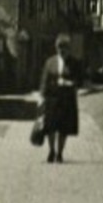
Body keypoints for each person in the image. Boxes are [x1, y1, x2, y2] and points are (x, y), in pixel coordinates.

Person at [39, 35, 80, 164]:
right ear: (56, 48)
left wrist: (69, 83)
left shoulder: (74, 63)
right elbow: (44, 80)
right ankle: (51, 151)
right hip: (52, 99)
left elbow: (80, 80)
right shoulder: (50, 62)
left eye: (64, 48)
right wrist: (42, 96)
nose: (62, 51)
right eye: (59, 48)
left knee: (63, 128)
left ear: (69, 49)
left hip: (67, 100)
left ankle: (60, 153)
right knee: (50, 127)